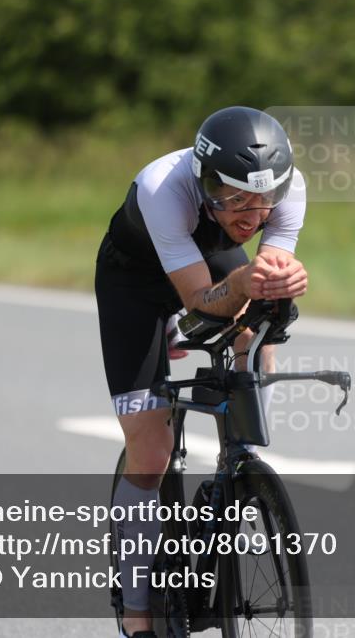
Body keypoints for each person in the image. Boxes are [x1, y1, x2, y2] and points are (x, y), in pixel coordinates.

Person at [95, 106, 308, 638]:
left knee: (253, 334)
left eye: (262, 201)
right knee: (151, 451)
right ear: (204, 181)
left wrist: (276, 287)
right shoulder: (163, 189)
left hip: (208, 263)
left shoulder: (289, 189)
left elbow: (261, 287)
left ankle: (242, 465)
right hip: (136, 282)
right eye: (233, 198)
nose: (249, 214)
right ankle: (138, 616)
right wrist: (240, 287)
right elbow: (199, 300)